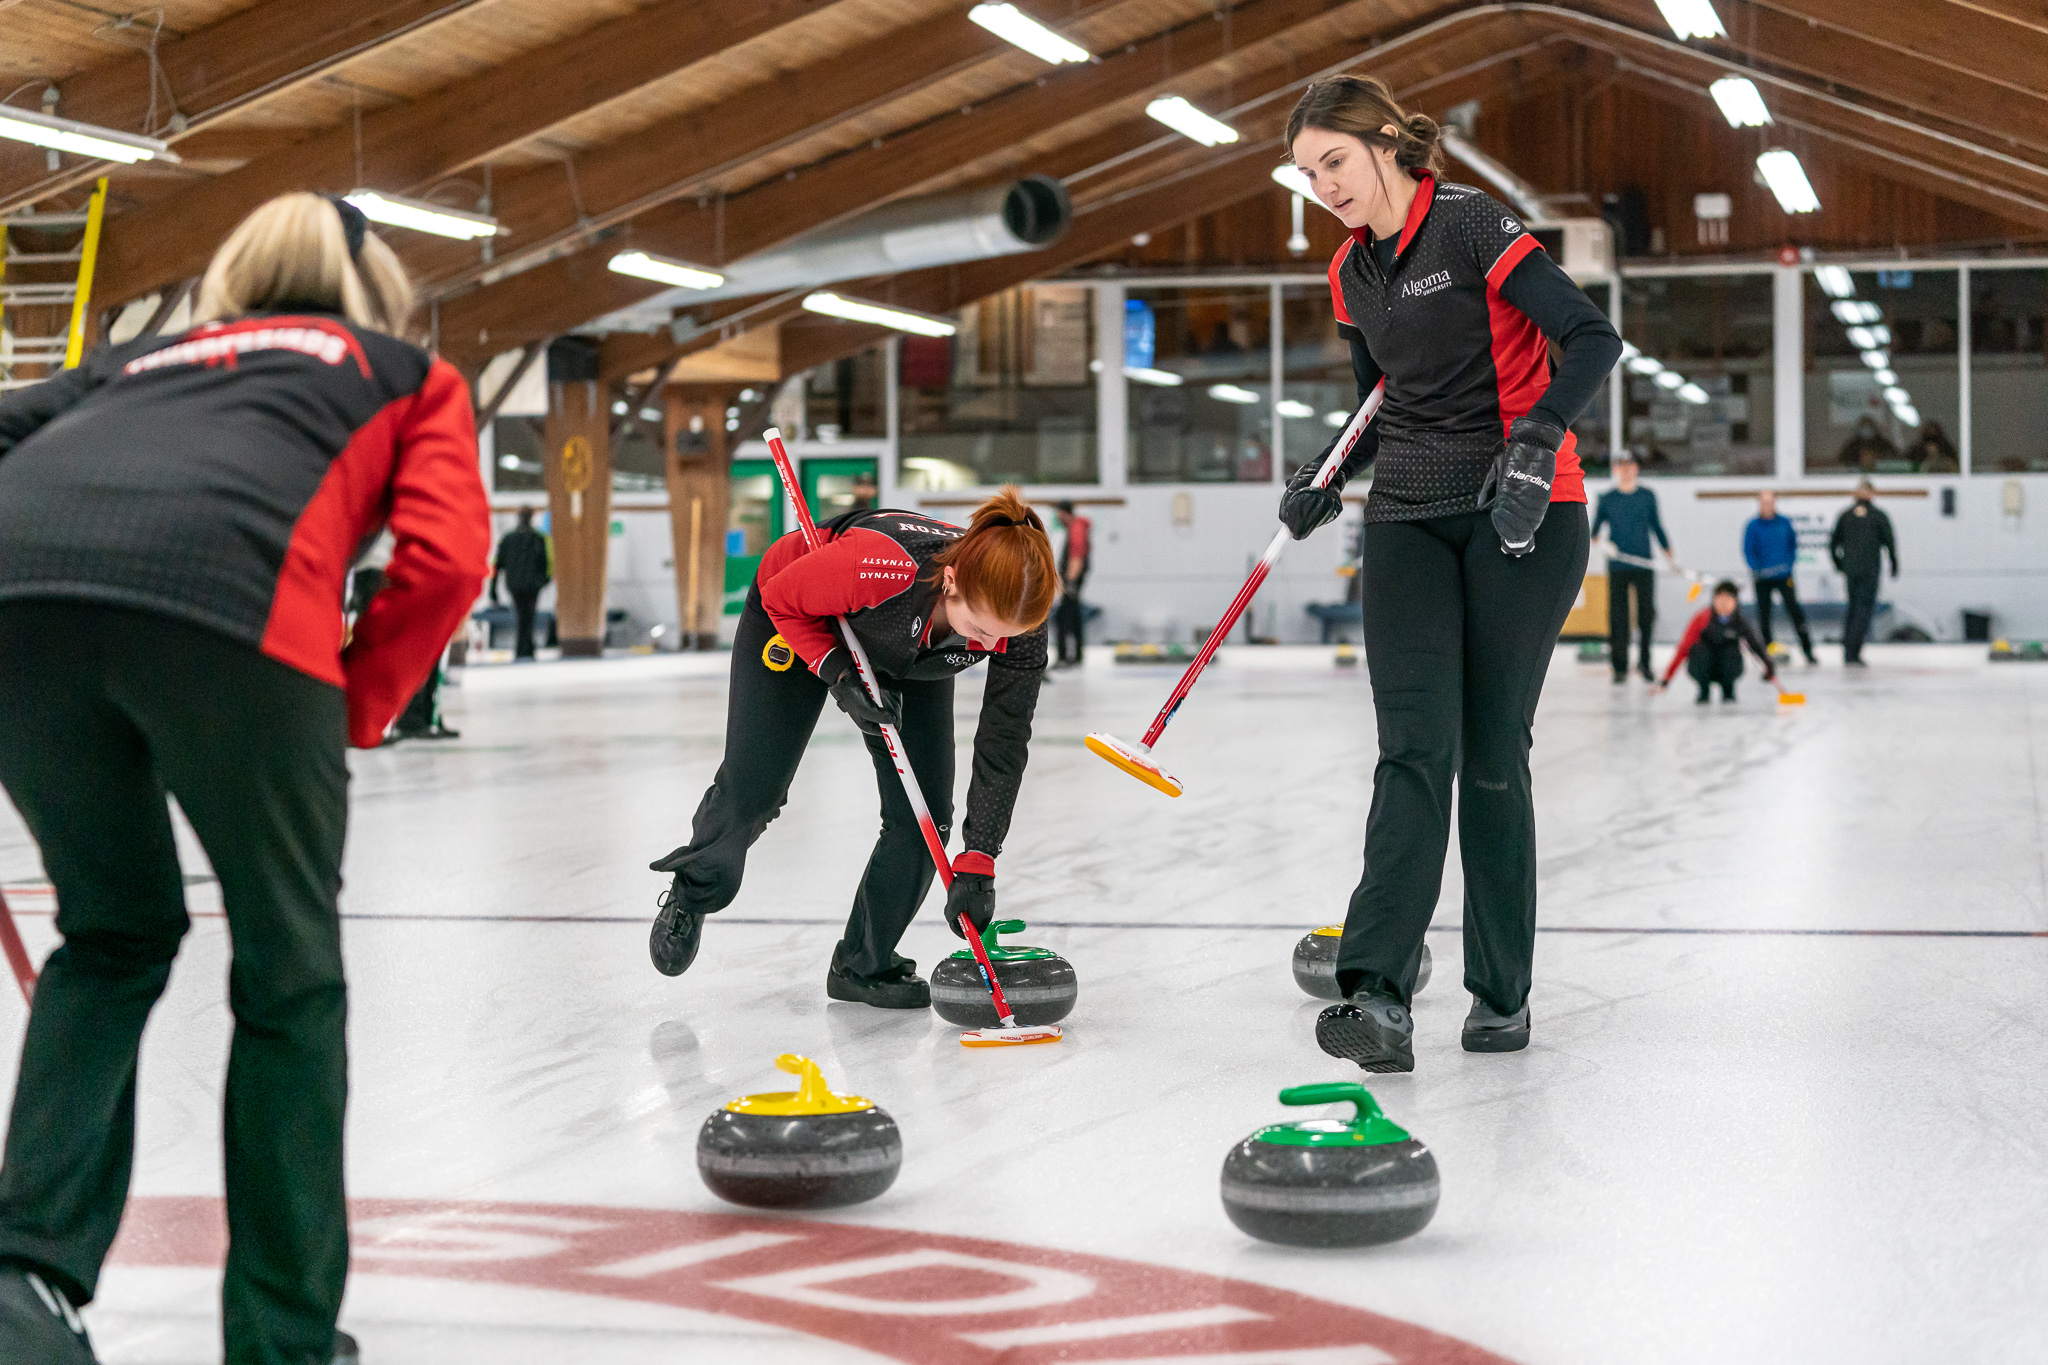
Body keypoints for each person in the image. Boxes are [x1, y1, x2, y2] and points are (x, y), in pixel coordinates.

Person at [0, 193, 489, 1365]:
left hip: (16, 607)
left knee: (112, 937)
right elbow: (445, 557)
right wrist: (358, 703)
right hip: (236, 612)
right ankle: (282, 1340)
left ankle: (21, 1287)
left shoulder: (137, 361)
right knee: (289, 976)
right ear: (376, 288)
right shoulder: (402, 370)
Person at [1275, 75, 1620, 1071]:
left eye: (1333, 162)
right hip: (1408, 518)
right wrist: (1323, 474)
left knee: (1489, 755)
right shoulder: (1350, 275)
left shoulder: (1470, 228)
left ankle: (1499, 992)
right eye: (1306, 175)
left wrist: (1535, 443)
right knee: (1409, 751)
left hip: (1523, 509)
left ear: (1386, 143)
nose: (1323, 186)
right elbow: (1374, 407)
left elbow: (1591, 337)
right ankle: (1375, 993)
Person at [645, 490, 1054, 1007]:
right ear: (951, 582)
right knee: (756, 790)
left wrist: (980, 855)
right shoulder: (880, 567)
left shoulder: (1017, 623)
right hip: (804, 617)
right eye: (980, 631)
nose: (992, 648)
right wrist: (838, 672)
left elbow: (1005, 737)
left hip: (913, 650)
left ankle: (863, 965)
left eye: (1003, 638)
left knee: (925, 816)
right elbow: (781, 598)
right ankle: (693, 891)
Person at [1589, 451, 1672, 683]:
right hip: (1618, 566)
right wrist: (1605, 546)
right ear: (1616, 469)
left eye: (1630, 465)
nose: (1626, 469)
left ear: (1636, 468)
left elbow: (1657, 526)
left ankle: (1645, 664)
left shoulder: (1647, 496)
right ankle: (1619, 666)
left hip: (1644, 564)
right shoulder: (1607, 499)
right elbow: (1593, 533)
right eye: (1621, 465)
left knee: (1646, 616)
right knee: (1618, 617)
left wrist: (1670, 556)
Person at [1657, 581, 1777, 703]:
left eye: (1728, 599)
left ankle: (1728, 689)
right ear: (1714, 600)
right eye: (1720, 599)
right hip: (1704, 667)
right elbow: (1684, 648)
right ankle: (1704, 690)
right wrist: (1666, 679)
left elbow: (1754, 645)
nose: (1723, 603)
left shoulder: (1739, 622)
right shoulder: (1702, 618)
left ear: (1735, 602)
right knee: (1701, 650)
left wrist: (1768, 665)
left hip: (1727, 669)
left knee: (1730, 651)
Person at [1830, 478, 1898, 666]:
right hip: (1868, 571)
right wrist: (1894, 564)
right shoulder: (1877, 516)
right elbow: (1889, 543)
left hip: (1852, 571)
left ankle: (1849, 649)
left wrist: (1840, 564)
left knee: (1853, 609)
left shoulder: (1847, 516)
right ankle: (1853, 651)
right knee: (1863, 610)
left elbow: (1833, 543)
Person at [1742, 490, 1816, 664]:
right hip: (1762, 578)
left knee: (1795, 611)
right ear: (1759, 504)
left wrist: (1788, 564)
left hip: (1784, 576)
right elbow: (1748, 550)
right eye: (1764, 502)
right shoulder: (1752, 526)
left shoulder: (1784, 523)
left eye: (1770, 502)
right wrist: (1757, 569)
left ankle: (1808, 650)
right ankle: (1767, 651)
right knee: (1764, 614)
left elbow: (1792, 545)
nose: (1767, 506)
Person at [491, 507, 551, 661]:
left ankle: (523, 648)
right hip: (530, 585)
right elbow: (544, 564)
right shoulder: (537, 539)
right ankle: (526, 648)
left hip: (516, 584)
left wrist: (494, 588)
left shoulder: (509, 538)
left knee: (522, 614)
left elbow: (498, 565)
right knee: (528, 614)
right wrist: (543, 580)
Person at [1052, 500, 1092, 668]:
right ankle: (1076, 656)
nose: (1059, 518)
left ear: (1064, 513)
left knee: (1062, 619)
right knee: (1074, 618)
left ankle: (1064, 657)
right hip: (1074, 582)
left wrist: (1068, 583)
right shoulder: (1077, 527)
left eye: (1059, 515)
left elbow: (1076, 557)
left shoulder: (1076, 529)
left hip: (1072, 582)